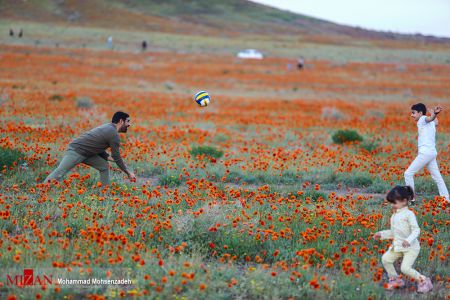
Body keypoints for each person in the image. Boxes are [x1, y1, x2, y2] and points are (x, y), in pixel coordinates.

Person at [45, 111, 136, 186]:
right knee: (61, 171)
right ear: (121, 121)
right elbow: (117, 156)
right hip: (76, 151)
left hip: (87, 153)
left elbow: (96, 145)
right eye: (128, 121)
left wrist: (109, 158)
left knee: (104, 166)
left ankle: (105, 193)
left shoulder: (108, 127)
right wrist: (129, 173)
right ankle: (42, 189)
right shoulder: (113, 134)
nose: (129, 124)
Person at [373, 185, 433, 293]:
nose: (392, 205)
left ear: (404, 201)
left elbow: (416, 230)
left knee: (405, 268)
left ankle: (423, 280)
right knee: (386, 259)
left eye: (394, 203)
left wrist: (408, 240)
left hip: (411, 247)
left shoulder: (409, 214)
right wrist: (381, 235)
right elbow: (394, 233)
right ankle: (396, 280)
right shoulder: (394, 216)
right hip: (399, 246)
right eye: (391, 202)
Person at [405, 103, 448, 201]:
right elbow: (435, 121)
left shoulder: (422, 119)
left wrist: (434, 114)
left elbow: (430, 119)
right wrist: (434, 113)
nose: (412, 115)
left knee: (408, 174)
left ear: (420, 113)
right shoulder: (431, 122)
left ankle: (411, 200)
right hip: (432, 153)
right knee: (437, 177)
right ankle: (446, 200)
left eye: (413, 113)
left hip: (425, 153)